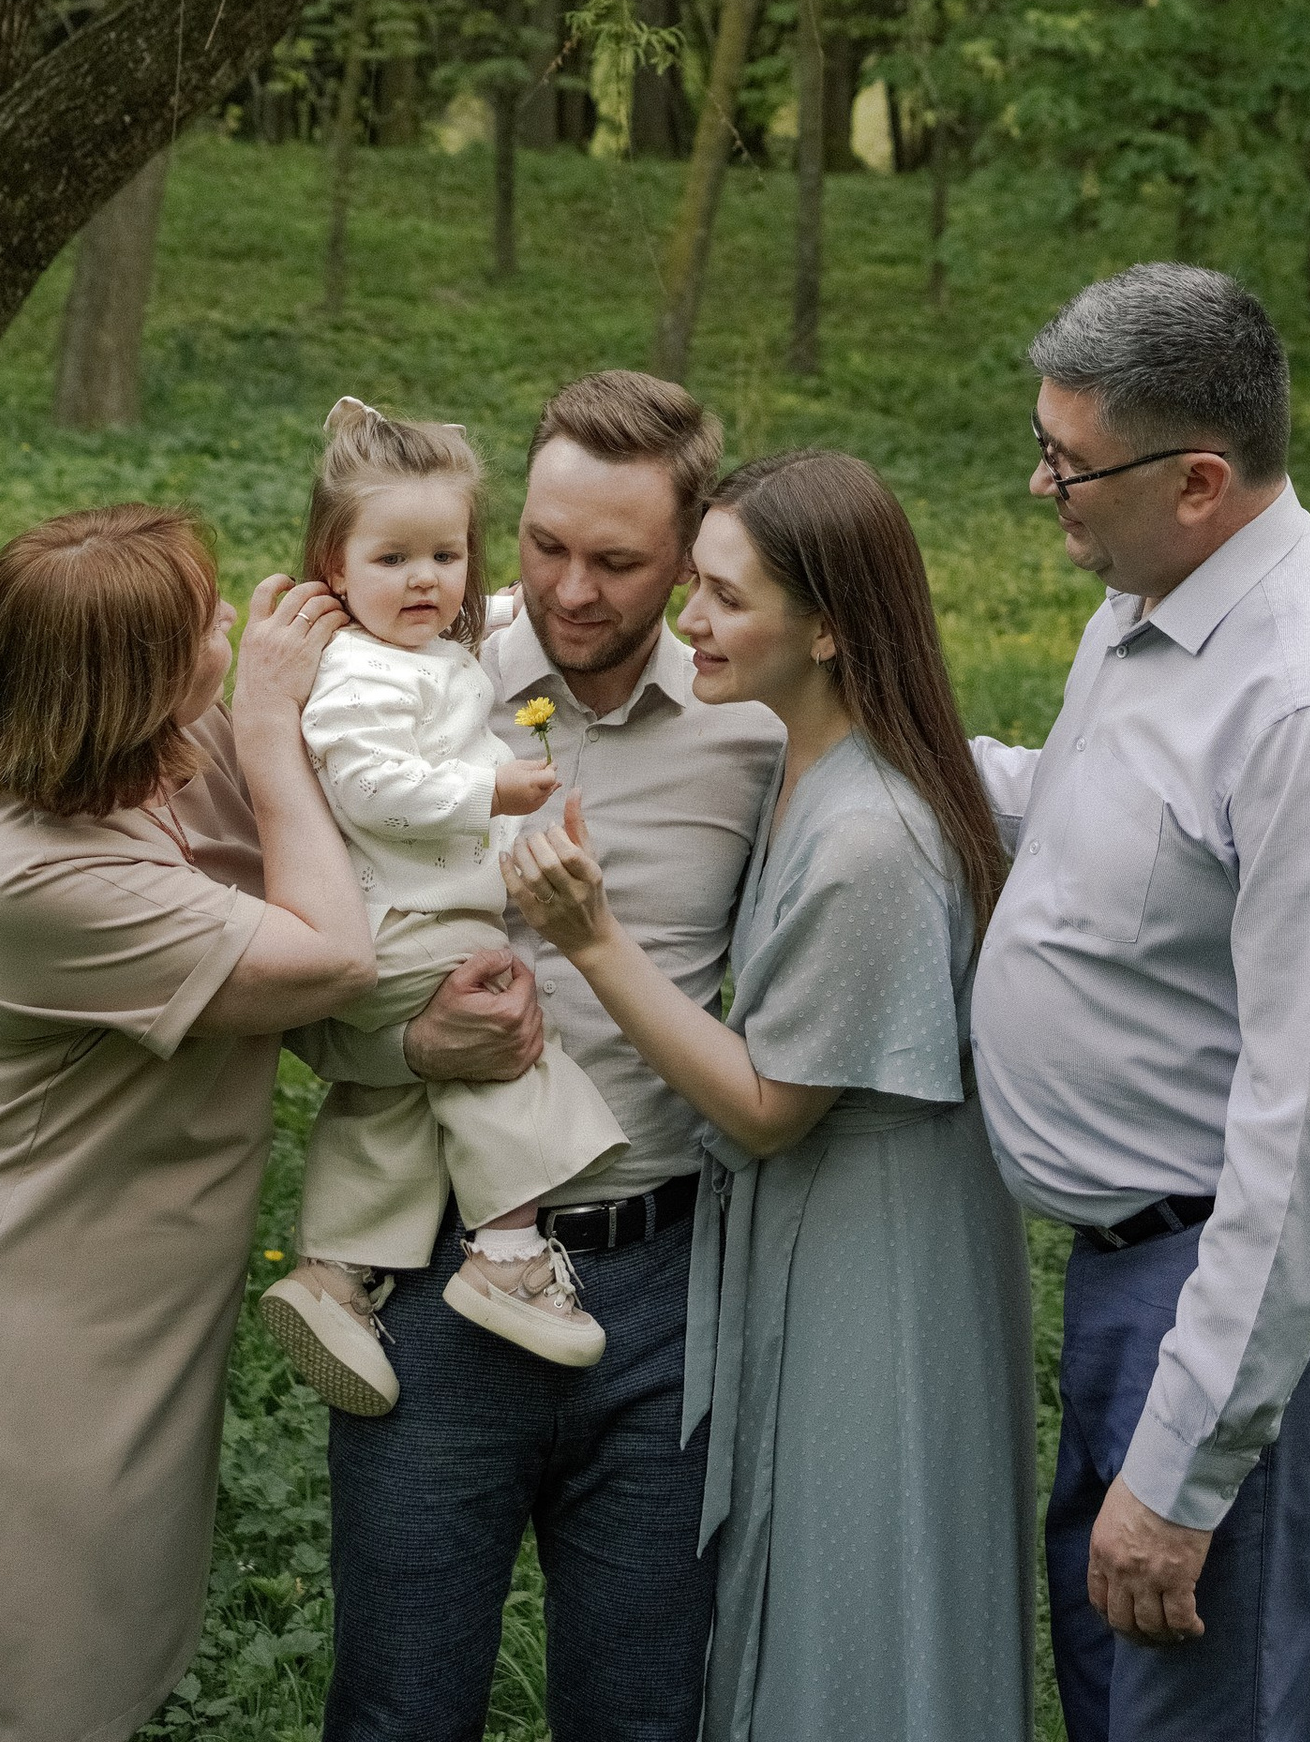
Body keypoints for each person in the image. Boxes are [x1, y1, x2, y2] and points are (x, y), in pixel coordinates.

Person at [969, 263, 1310, 1742]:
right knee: (1125, 1695)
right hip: (1140, 1270)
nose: (1042, 482)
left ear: (1197, 480)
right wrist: (871, 739)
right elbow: (1091, 826)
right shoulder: (1148, 600)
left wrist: (1185, 1476)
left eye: (1070, 461)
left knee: (1200, 1711)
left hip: (1250, 1289)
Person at [507, 445, 1038, 1742]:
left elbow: (762, 1108)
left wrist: (593, 940)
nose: (690, 620)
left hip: (879, 1259)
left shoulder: (869, 833)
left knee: (858, 1595)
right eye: (693, 583)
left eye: (728, 600)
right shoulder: (801, 755)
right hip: (819, 1234)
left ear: (833, 628)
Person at [301, 370, 785, 1742]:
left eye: (619, 563)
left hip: (663, 1293)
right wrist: (404, 1037)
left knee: (644, 1717)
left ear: (692, 556)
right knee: (400, 1711)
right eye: (544, 545)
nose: (568, 592)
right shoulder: (405, 685)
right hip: (439, 1279)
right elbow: (288, 962)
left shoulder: (754, 727)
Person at [0, 502, 369, 1742]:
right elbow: (331, 954)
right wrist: (262, 719)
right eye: (202, 627)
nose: (229, 630)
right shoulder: (32, 872)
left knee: (100, 1659)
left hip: (132, 1286)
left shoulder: (125, 763)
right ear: (124, 689)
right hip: (36, 1309)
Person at [259, 400, 625, 1405]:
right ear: (333, 567)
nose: (424, 579)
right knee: (507, 1050)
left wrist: (523, 837)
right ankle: (507, 1256)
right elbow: (366, 785)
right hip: (403, 924)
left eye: (445, 555)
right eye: (391, 560)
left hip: (407, 920)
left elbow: (459, 747)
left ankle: (335, 1273)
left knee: (392, 1100)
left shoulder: (428, 661)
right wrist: (489, 793)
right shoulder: (360, 672)